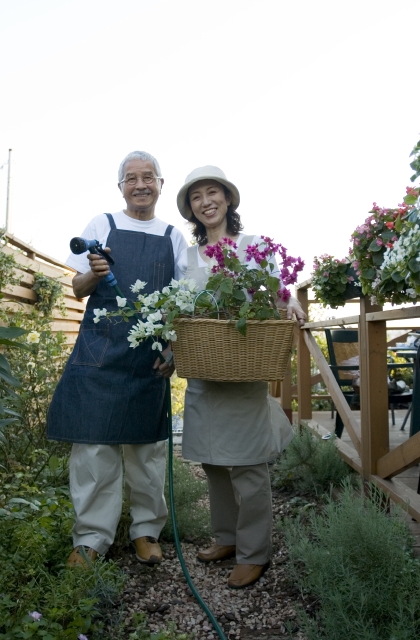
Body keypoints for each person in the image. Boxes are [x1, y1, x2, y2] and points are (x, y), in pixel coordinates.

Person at [47, 151, 187, 567]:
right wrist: (95, 270)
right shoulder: (101, 225)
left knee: (147, 451)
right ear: (120, 186)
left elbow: (183, 303)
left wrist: (175, 348)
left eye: (149, 177)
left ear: (161, 184)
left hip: (149, 357)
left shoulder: (172, 236)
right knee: (94, 450)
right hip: (99, 354)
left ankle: (147, 531)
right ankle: (91, 539)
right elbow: (77, 286)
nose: (140, 184)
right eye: (131, 178)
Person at [176, 165, 306, 589]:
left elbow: (277, 290)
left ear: (228, 199)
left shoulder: (253, 246)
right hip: (204, 369)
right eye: (197, 197)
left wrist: (290, 305)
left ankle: (254, 552)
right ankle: (227, 539)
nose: (206, 202)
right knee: (213, 462)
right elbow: (177, 310)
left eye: (213, 192)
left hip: (243, 365)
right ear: (192, 210)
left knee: (248, 464)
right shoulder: (188, 256)